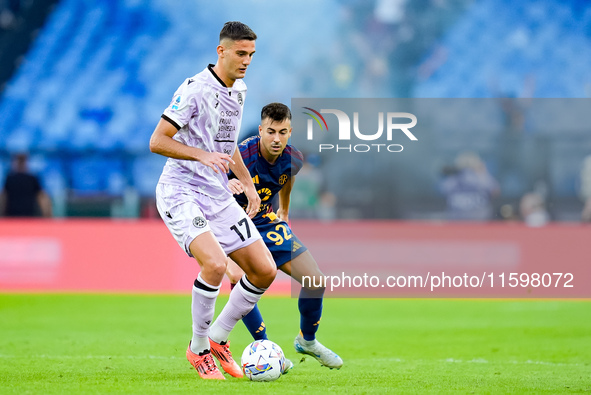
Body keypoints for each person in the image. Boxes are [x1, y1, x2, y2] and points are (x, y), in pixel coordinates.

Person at [149, 21, 277, 380]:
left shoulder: (239, 90)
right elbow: (157, 141)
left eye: (251, 54)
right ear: (221, 51)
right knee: (216, 265)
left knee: (264, 270)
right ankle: (199, 348)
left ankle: (219, 338)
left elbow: (226, 143)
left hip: (217, 192)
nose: (246, 61)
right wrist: (200, 155)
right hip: (181, 190)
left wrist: (248, 185)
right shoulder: (194, 89)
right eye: (240, 53)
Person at [225, 102, 343, 369]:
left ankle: (307, 341)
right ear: (260, 131)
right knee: (236, 277)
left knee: (315, 280)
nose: (276, 138)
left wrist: (285, 211)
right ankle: (266, 348)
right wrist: (225, 182)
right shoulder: (241, 154)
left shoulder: (294, 158)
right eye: (270, 132)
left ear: (290, 131)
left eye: (282, 132)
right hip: (229, 220)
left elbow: (287, 177)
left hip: (265, 219)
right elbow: (207, 178)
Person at [439, 151, 500, 221]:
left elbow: (495, 191)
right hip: (460, 223)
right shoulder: (454, 180)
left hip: (476, 223)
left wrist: (481, 173)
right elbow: (443, 190)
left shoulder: (482, 179)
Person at [0, 153, 52, 217]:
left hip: (12, 216)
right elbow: (42, 197)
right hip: (28, 215)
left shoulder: (10, 178)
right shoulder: (32, 178)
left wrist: (2, 213)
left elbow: (3, 197)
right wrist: (47, 214)